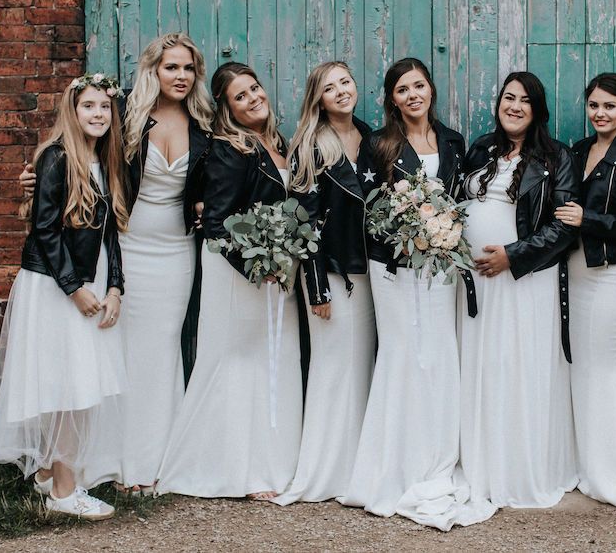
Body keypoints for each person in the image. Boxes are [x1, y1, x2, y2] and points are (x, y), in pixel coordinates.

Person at [20, 33, 214, 494]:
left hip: (177, 249)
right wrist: (35, 178)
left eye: (188, 68)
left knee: (162, 349)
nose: (181, 76)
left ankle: (151, 459)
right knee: (118, 349)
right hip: (127, 242)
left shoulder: (204, 123)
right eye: (171, 67)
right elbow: (74, 147)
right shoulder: (124, 111)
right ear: (153, 70)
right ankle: (102, 458)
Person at [339, 58, 493, 530]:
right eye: (402, 89)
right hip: (395, 269)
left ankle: (438, 452)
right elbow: (369, 210)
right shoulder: (379, 145)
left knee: (439, 353)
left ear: (431, 90)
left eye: (419, 86)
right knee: (404, 355)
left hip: (440, 267)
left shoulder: (452, 142)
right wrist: (406, 228)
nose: (412, 95)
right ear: (392, 99)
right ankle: (397, 459)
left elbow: (460, 200)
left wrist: (443, 234)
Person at [155, 62, 302, 500]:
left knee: (272, 361)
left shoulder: (277, 143)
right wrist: (259, 266)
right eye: (240, 96)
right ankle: (238, 470)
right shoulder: (227, 149)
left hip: (275, 270)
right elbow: (216, 224)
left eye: (254, 88)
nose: (253, 98)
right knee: (239, 363)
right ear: (226, 109)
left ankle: (273, 462)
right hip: (240, 271)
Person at [0, 74, 128, 520]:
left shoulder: (101, 161)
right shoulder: (56, 157)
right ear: (72, 110)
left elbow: (109, 235)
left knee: (79, 381)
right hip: (56, 284)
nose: (98, 115)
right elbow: (45, 231)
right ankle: (66, 492)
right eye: (89, 106)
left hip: (91, 278)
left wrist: (115, 286)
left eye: (105, 108)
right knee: (71, 388)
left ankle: (51, 471)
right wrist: (74, 289)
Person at [459, 71, 578, 508]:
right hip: (476, 284)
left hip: (524, 280)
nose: (514, 106)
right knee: (482, 367)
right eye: (508, 97)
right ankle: (481, 462)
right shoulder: (479, 149)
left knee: (517, 367)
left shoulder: (557, 157)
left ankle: (518, 466)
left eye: (524, 100)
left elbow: (563, 227)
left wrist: (513, 255)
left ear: (537, 109)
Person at [272, 62, 375, 505]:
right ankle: (323, 471)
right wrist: (315, 289)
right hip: (331, 275)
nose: (341, 92)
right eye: (329, 88)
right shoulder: (311, 147)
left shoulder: (371, 138)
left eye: (345, 82)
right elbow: (303, 222)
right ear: (317, 98)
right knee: (334, 371)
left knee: (361, 369)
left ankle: (358, 466)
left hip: (367, 273)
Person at [554, 72, 616, 507]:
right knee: (584, 366)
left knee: (608, 368)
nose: (600, 114)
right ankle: (588, 464)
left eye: (609, 106)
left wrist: (588, 220)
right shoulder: (578, 151)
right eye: (594, 105)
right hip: (579, 267)